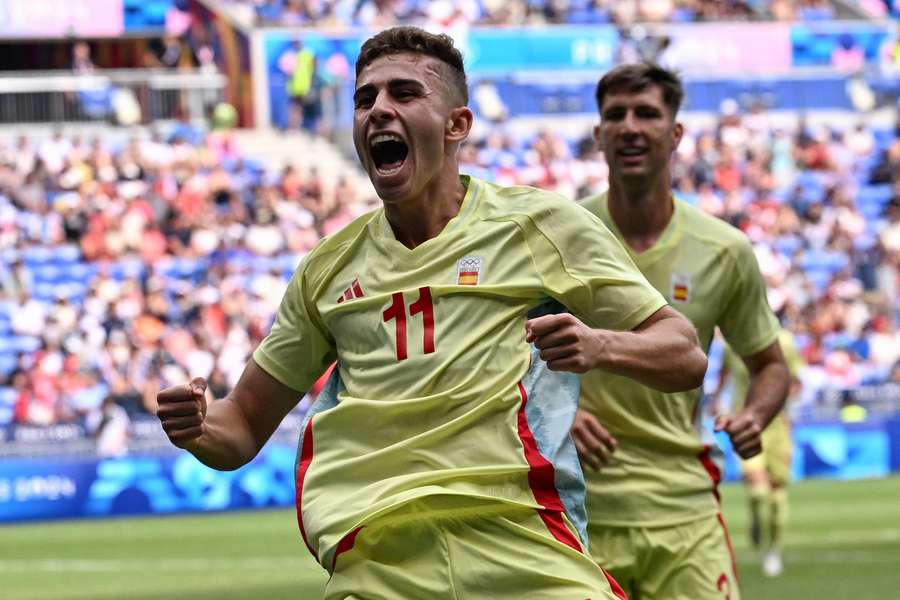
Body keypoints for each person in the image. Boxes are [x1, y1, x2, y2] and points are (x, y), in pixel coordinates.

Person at [156, 29, 707, 599]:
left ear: (457, 125)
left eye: (404, 94)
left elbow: (684, 353)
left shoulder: (538, 225)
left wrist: (602, 347)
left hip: (525, 551)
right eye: (365, 99)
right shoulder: (326, 270)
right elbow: (241, 426)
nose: (378, 110)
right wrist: (198, 426)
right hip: (378, 566)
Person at [575, 62, 791, 600]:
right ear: (599, 135)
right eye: (615, 115)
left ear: (675, 134)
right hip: (579, 510)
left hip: (684, 509)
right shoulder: (561, 235)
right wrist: (557, 410)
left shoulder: (724, 249)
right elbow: (503, 354)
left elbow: (769, 365)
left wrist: (753, 415)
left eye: (646, 113)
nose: (630, 126)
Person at [711, 328, 804, 577]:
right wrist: (716, 400)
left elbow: (794, 382)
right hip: (746, 424)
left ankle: (773, 549)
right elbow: (724, 373)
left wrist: (790, 416)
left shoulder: (785, 341)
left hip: (777, 427)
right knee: (758, 491)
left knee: (777, 496)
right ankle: (755, 518)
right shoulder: (733, 343)